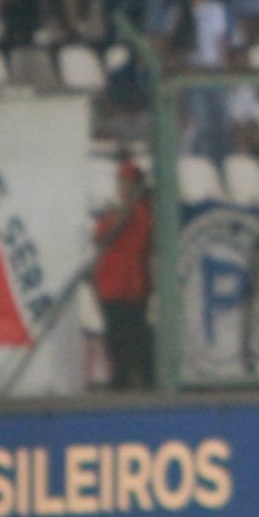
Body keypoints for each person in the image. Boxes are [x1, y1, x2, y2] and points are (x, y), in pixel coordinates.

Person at [93, 159, 154, 390]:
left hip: (128, 283)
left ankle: (130, 378)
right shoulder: (125, 210)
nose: (122, 185)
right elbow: (100, 234)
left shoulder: (138, 212)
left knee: (131, 334)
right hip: (115, 282)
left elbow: (104, 233)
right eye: (121, 181)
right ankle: (124, 377)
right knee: (119, 333)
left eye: (127, 181)